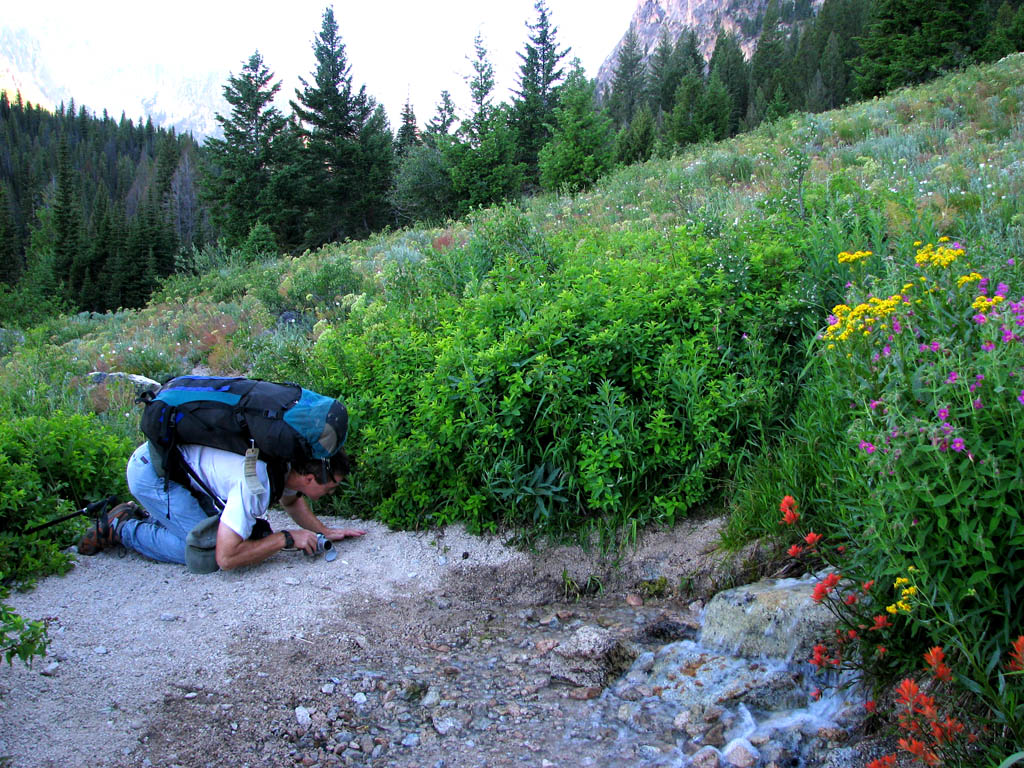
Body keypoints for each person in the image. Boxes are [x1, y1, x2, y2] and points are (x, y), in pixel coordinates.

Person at [78, 441, 365, 570]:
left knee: (211, 533)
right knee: (197, 551)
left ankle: (151, 520)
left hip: (178, 470)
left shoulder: (285, 465)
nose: (332, 490)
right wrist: (286, 538)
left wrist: (323, 531)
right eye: (331, 485)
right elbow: (226, 558)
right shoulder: (258, 483)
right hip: (153, 472)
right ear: (310, 478)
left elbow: (292, 500)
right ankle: (121, 527)